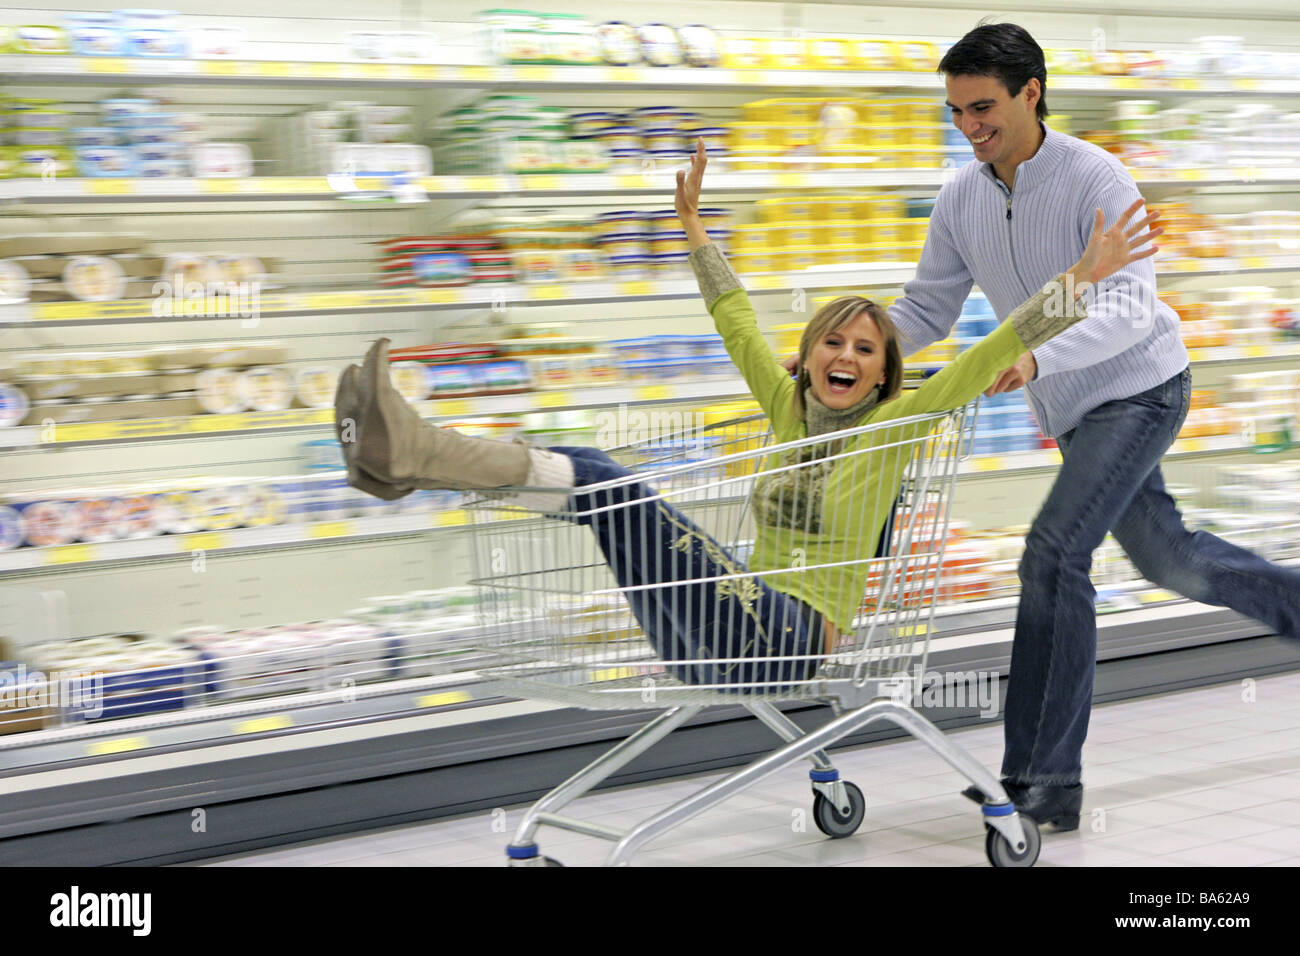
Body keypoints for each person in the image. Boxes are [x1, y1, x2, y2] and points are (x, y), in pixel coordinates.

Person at [334, 137, 1159, 697]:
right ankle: (398, 461)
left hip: (792, 634)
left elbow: (994, 348)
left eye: (869, 349)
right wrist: (693, 228)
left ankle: (405, 452)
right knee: (598, 486)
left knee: (602, 479)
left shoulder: (904, 426)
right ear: (812, 354)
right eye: (833, 342)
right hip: (722, 624)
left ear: (885, 373)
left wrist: (1082, 276)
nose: (848, 357)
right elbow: (735, 322)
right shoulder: (787, 407)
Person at [827, 21, 1300, 829]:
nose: (970, 127)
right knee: (1172, 561)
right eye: (956, 112)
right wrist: (851, 351)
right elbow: (928, 307)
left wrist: (1041, 359)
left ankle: (1044, 783)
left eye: (984, 108)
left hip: (1141, 389)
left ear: (1030, 93)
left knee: (1052, 553)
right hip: (1074, 410)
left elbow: (1129, 307)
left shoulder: (1097, 178)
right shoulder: (961, 195)